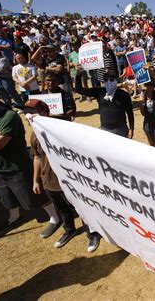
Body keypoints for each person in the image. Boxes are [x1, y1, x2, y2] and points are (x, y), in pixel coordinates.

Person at [0, 84, 60, 236]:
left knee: (34, 196)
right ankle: (14, 217)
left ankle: (54, 217)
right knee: (6, 196)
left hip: (16, 165)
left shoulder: (9, 116)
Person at [27, 99, 101, 252]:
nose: (28, 116)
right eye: (27, 113)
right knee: (62, 209)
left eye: (32, 113)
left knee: (80, 207)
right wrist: (36, 180)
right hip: (49, 182)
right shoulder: (34, 136)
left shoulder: (60, 130)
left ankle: (92, 233)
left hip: (68, 180)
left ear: (43, 114)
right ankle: (69, 230)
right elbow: (37, 157)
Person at [75, 71, 134, 138]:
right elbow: (79, 90)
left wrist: (131, 128)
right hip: (105, 130)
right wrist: (78, 74)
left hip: (121, 129)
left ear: (116, 81)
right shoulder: (100, 92)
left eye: (111, 80)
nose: (109, 82)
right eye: (106, 80)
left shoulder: (124, 94)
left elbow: (130, 112)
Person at [140, 79, 155, 147]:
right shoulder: (143, 96)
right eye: (148, 85)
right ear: (146, 86)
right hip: (148, 122)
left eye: (151, 85)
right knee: (152, 143)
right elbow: (143, 113)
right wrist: (141, 104)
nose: (150, 87)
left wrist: (152, 74)